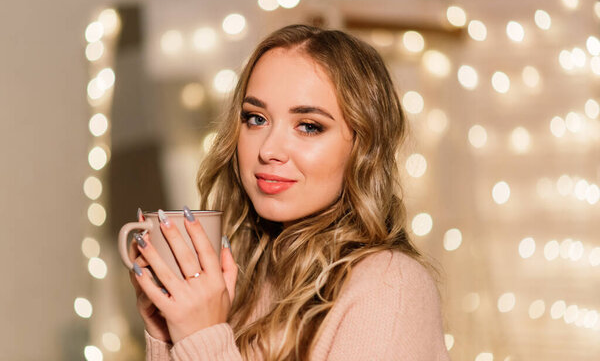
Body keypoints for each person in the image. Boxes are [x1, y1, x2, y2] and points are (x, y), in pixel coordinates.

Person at [128, 24, 451, 360]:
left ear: (363, 146)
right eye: (256, 119)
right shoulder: (243, 277)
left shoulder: (389, 287)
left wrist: (203, 336)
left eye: (309, 126)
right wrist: (169, 335)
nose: (269, 149)